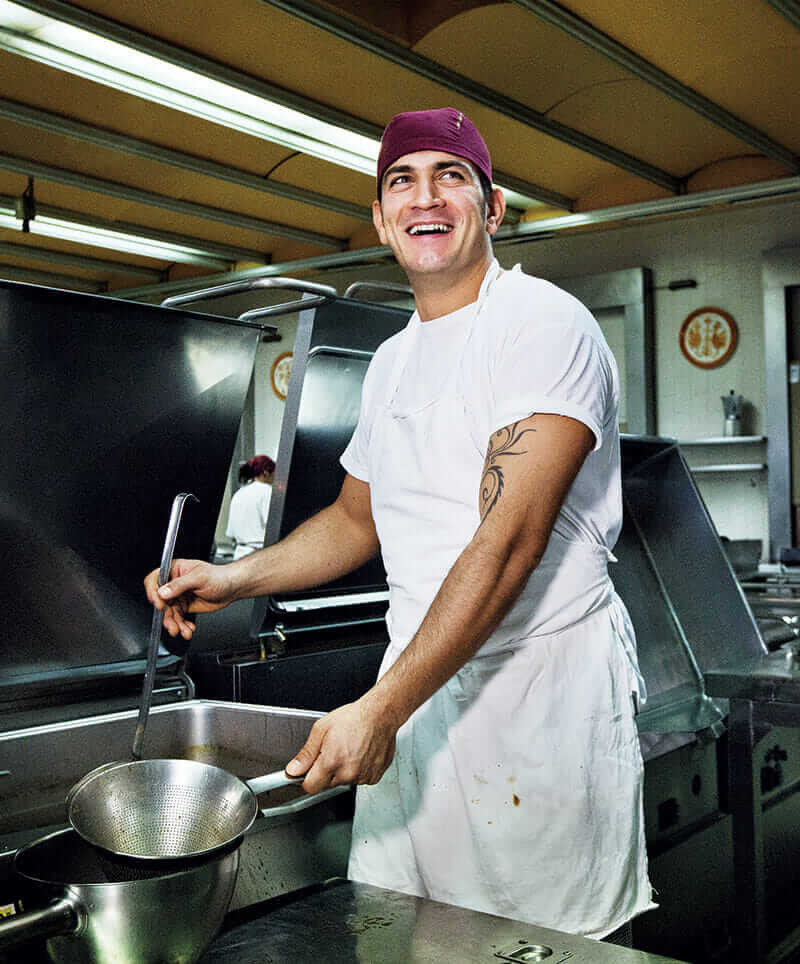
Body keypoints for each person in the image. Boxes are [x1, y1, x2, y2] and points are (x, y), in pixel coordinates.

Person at [145, 107, 653, 943]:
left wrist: (378, 709)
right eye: (401, 181)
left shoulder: (544, 325)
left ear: (492, 210)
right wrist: (230, 579)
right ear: (381, 219)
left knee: (548, 948)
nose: (426, 197)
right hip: (419, 696)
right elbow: (355, 520)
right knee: (404, 937)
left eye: (451, 176)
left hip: (536, 708)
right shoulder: (393, 359)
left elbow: (507, 546)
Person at [225, 455, 274, 560]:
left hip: (239, 555)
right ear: (266, 472)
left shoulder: (239, 493)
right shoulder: (267, 491)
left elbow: (231, 532)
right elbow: (273, 526)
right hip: (259, 556)